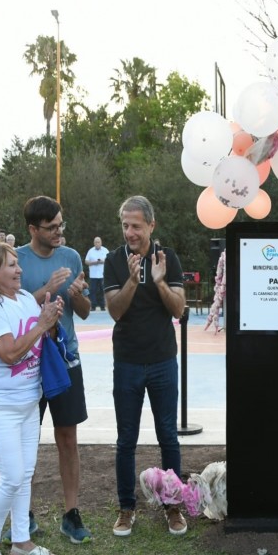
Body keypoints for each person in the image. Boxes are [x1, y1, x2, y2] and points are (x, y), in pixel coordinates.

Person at [0, 241, 62, 555]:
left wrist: (51, 320)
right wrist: (41, 324)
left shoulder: (23, 299)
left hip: (27, 402)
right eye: (10, 265)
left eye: (17, 263)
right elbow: (10, 353)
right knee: (10, 476)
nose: (19, 269)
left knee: (24, 474)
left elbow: (39, 337)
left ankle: (22, 543)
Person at [103, 195, 187, 537]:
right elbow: (115, 311)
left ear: (151, 225)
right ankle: (126, 509)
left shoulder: (168, 258)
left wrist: (160, 280)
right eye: (125, 225)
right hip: (127, 362)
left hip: (163, 361)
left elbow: (179, 310)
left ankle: (173, 506)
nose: (130, 232)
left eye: (136, 225)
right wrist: (133, 281)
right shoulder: (113, 261)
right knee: (126, 439)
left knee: (168, 436)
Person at [16, 195, 93, 545]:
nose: (58, 232)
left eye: (61, 224)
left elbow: (86, 311)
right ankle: (23, 515)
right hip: (28, 363)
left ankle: (71, 513)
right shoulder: (15, 259)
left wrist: (75, 294)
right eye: (51, 228)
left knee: (68, 439)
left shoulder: (72, 257)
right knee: (24, 442)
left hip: (64, 360)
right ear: (33, 229)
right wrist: (45, 290)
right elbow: (10, 314)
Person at [85, 237, 109, 311]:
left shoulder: (105, 250)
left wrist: (102, 261)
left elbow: (109, 260)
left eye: (98, 242)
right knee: (93, 291)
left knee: (102, 290)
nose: (97, 243)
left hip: (102, 274)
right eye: (96, 242)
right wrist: (94, 262)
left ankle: (102, 306)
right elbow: (86, 261)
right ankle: (93, 306)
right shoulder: (90, 251)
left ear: (101, 243)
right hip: (93, 274)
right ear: (94, 243)